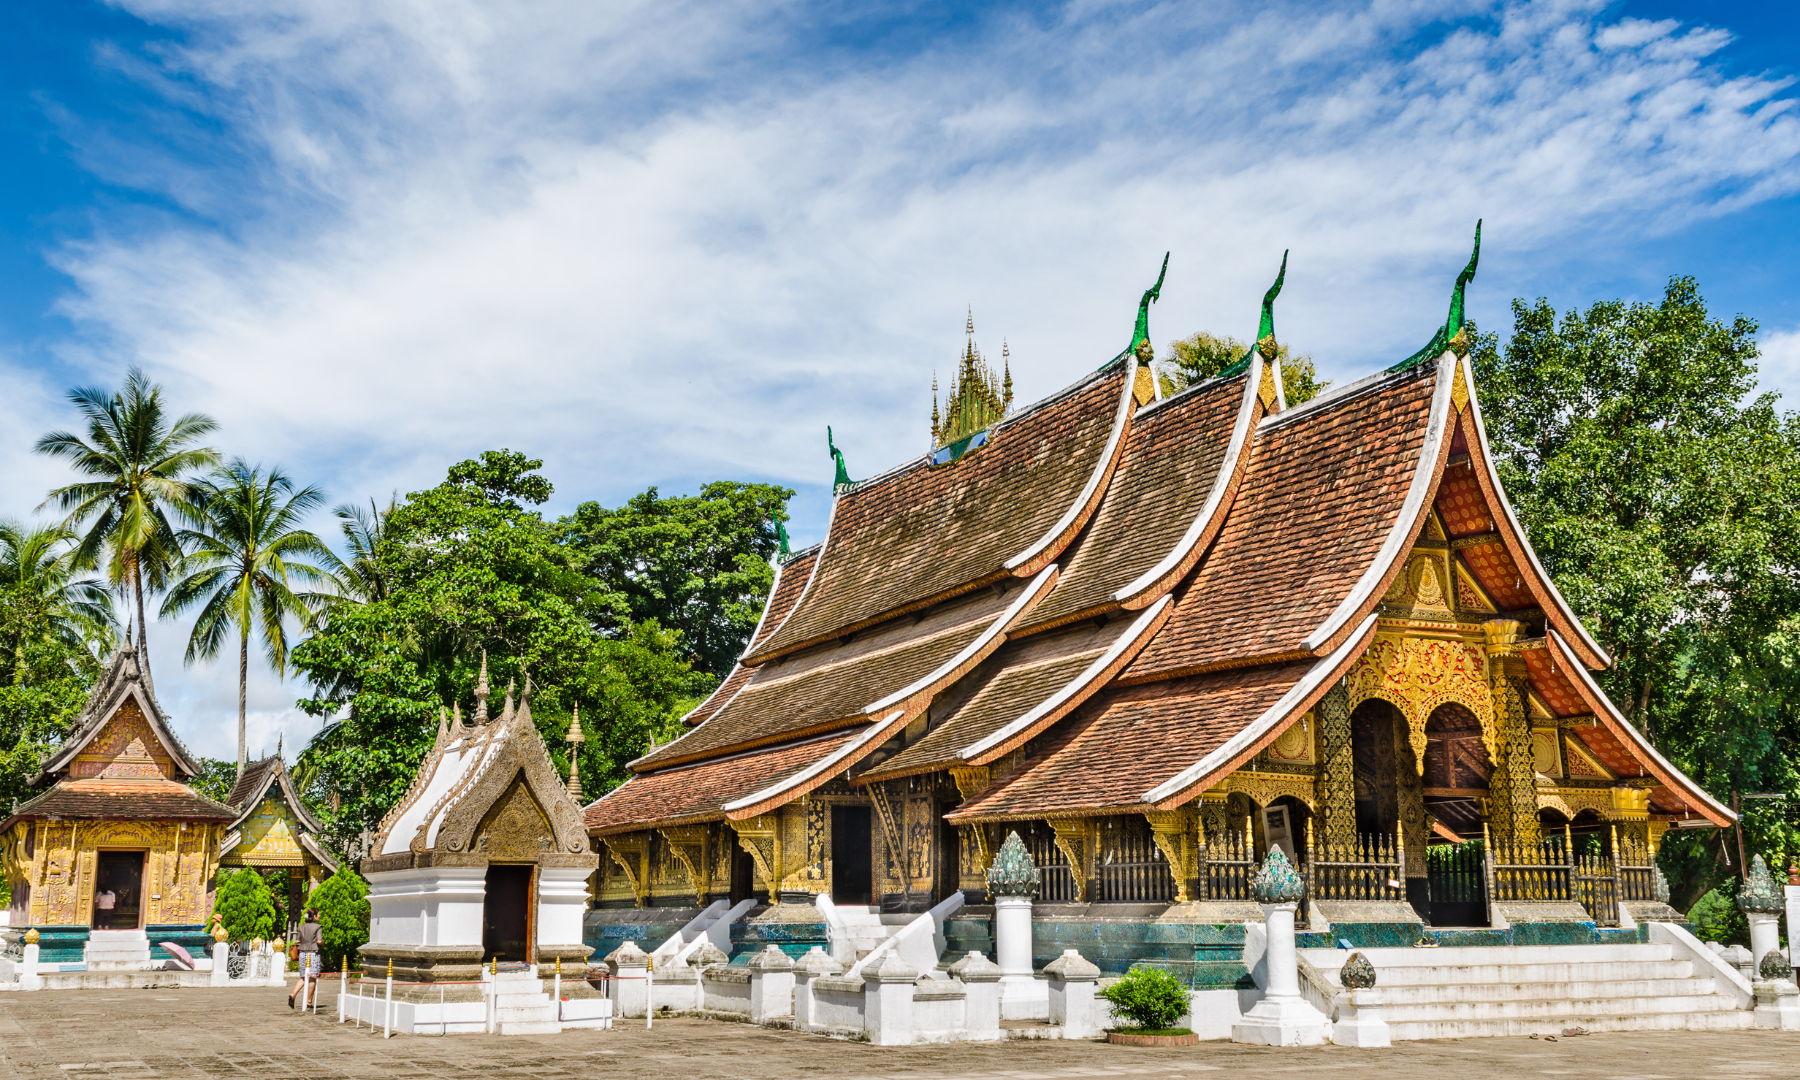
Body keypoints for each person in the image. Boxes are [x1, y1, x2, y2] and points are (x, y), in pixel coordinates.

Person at [288, 908, 323, 1009]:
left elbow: (297, 941)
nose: (319, 916)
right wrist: (322, 944)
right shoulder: (318, 927)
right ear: (314, 917)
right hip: (312, 953)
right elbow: (319, 941)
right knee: (312, 977)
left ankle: (293, 994)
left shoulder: (301, 926)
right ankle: (308, 1001)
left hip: (302, 953)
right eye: (318, 914)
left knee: (303, 977)